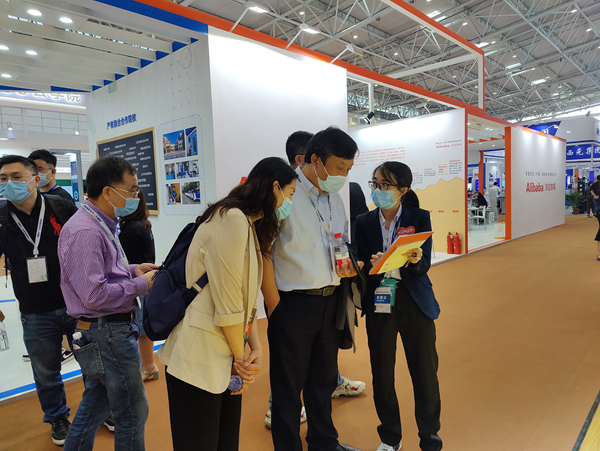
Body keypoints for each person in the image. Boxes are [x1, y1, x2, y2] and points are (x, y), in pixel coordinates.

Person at [159, 157, 297, 451]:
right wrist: (243, 359)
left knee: (225, 442)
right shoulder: (232, 219)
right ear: (275, 187)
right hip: (199, 356)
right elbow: (229, 304)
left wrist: (254, 347)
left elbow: (245, 301)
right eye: (290, 193)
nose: (289, 203)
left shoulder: (248, 225)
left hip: (224, 356)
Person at [265, 126, 363, 451]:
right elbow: (264, 251)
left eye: (348, 169)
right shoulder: (284, 194)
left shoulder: (335, 198)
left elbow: (341, 241)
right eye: (339, 167)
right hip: (292, 305)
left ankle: (324, 443)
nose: (343, 176)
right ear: (315, 160)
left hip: (331, 301)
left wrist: (351, 265)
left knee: (323, 381)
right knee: (288, 389)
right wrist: (275, 306)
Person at [58, 156, 158, 451]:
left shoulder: (102, 223)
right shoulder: (86, 231)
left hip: (106, 332)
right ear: (108, 192)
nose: (135, 197)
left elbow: (103, 273)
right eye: (132, 190)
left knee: (94, 407)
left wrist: (133, 270)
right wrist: (141, 285)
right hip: (107, 334)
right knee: (132, 413)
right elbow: (93, 294)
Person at [355, 161, 442, 451]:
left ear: (403, 190)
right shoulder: (363, 221)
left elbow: (424, 264)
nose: (378, 190)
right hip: (380, 299)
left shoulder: (420, 217)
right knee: (382, 374)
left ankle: (430, 439)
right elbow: (361, 264)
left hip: (415, 301)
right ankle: (390, 438)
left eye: (386, 185)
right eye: (375, 183)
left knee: (425, 373)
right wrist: (370, 265)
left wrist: (415, 260)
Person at [0, 155, 79, 445]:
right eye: (3, 178)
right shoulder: (1, 217)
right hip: (33, 310)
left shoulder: (61, 206)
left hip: (74, 303)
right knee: (46, 372)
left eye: (16, 177)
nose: (9, 183)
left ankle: (101, 409)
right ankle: (57, 417)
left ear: (35, 179)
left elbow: (85, 246)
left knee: (93, 362)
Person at [118, 190, 159, 381]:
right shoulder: (142, 224)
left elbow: (121, 261)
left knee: (141, 329)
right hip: (145, 281)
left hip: (139, 283)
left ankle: (149, 366)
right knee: (143, 328)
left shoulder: (132, 229)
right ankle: (148, 365)